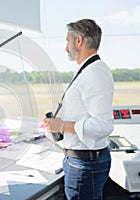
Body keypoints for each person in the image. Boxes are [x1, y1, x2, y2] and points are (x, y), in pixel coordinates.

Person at [43, 19, 114, 200]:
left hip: (84, 165)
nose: (66, 48)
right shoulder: (88, 70)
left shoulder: (94, 73)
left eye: (68, 41)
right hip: (82, 161)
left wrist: (62, 126)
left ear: (79, 41)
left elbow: (102, 125)